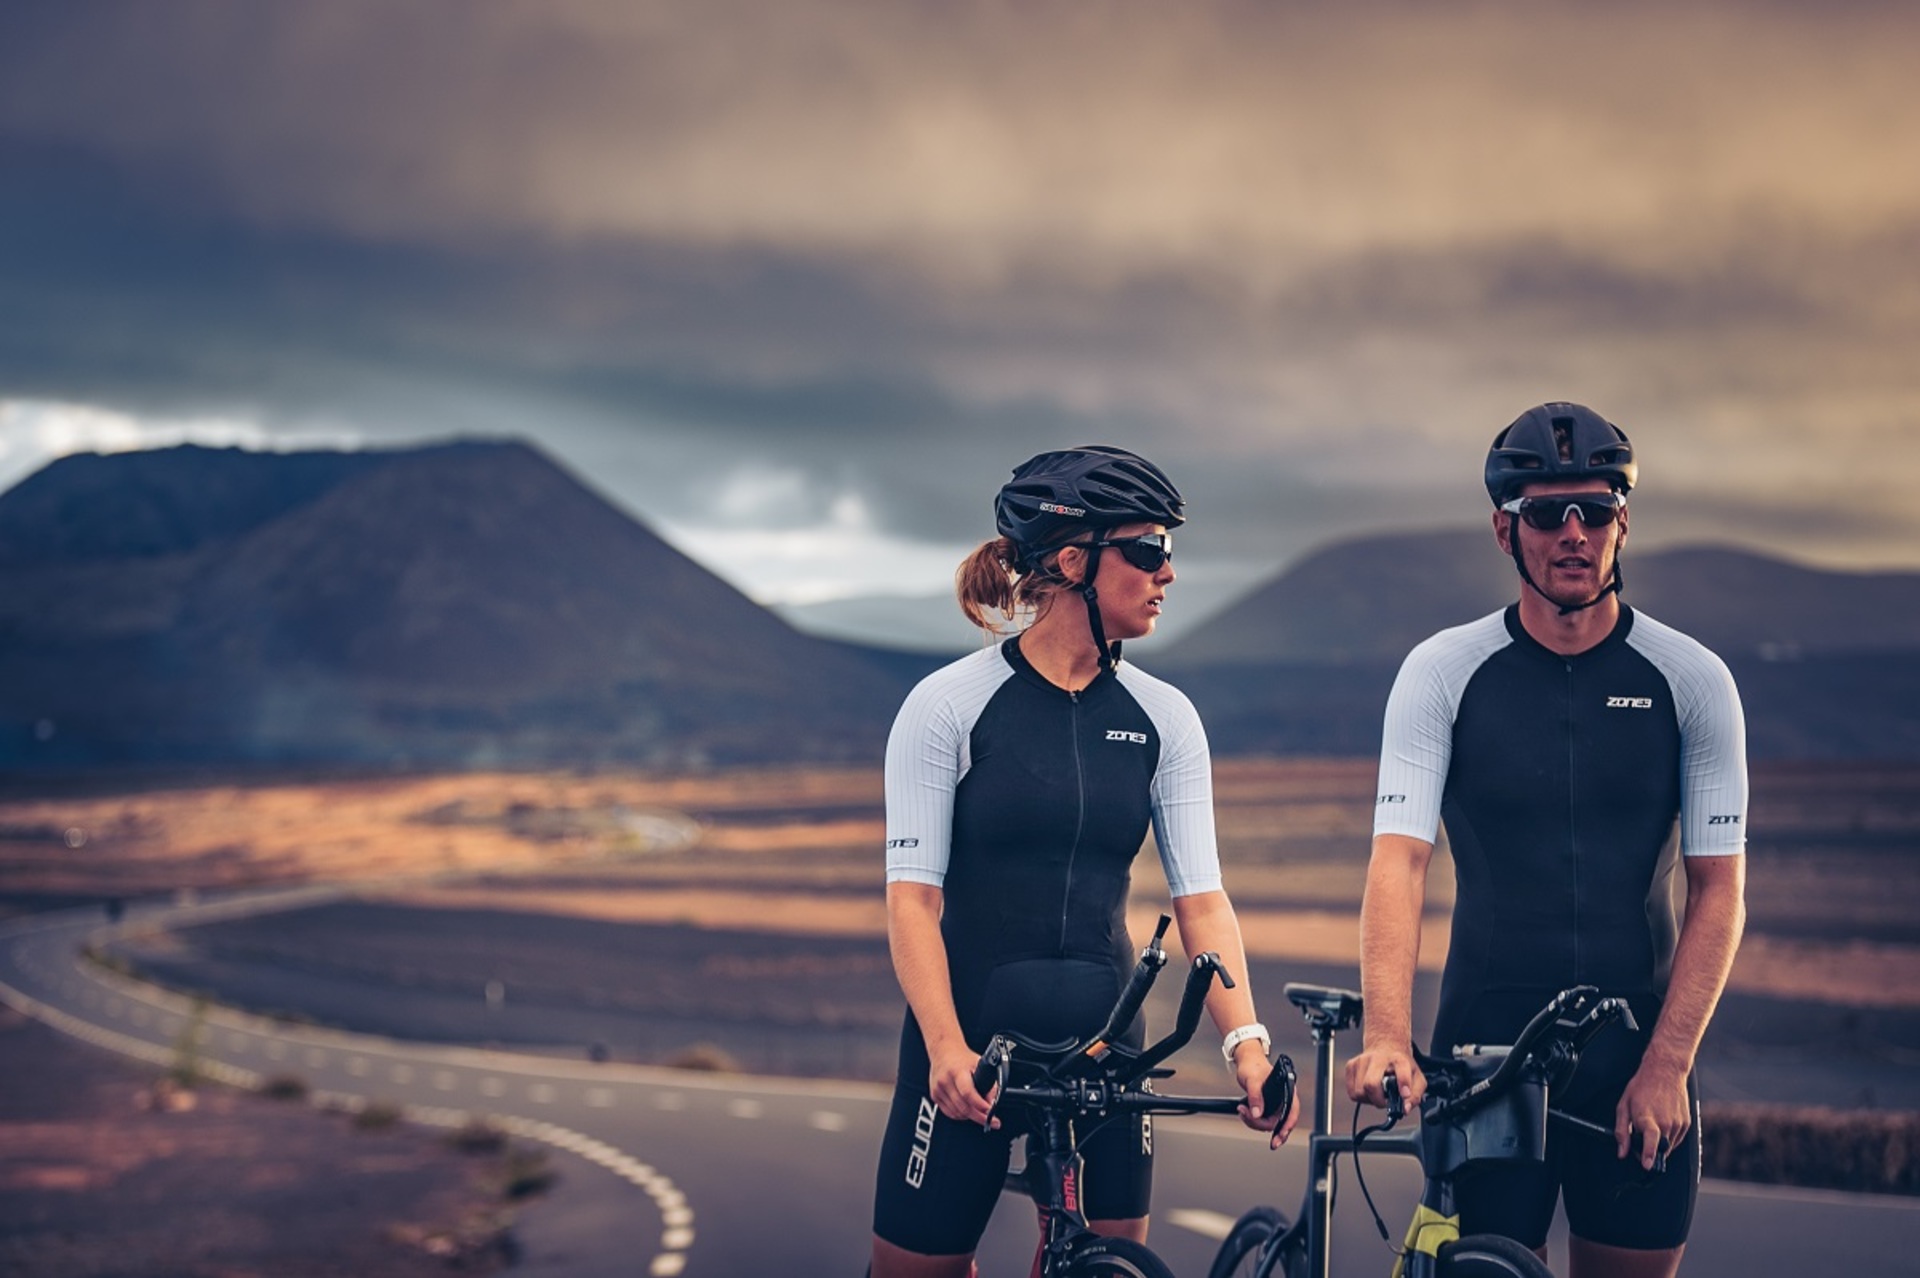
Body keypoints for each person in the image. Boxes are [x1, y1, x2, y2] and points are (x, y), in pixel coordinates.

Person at [871, 446, 1298, 1277]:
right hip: (970, 1043)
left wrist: (1246, 1047)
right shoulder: (947, 706)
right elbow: (912, 902)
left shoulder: (1166, 718)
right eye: (1146, 549)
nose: (1167, 571)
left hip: (1109, 1043)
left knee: (1112, 1263)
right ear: (1073, 563)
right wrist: (946, 1049)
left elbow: (1202, 902)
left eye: (1168, 549)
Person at [1343, 403, 1748, 1278]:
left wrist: (1668, 1062)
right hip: (1484, 1058)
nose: (1574, 532)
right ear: (1505, 531)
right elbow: (1398, 862)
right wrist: (1387, 1033)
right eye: (1545, 513)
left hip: (1636, 1060)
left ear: (1622, 524)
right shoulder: (1443, 672)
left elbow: (1719, 889)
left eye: (1595, 510)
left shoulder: (1693, 680)